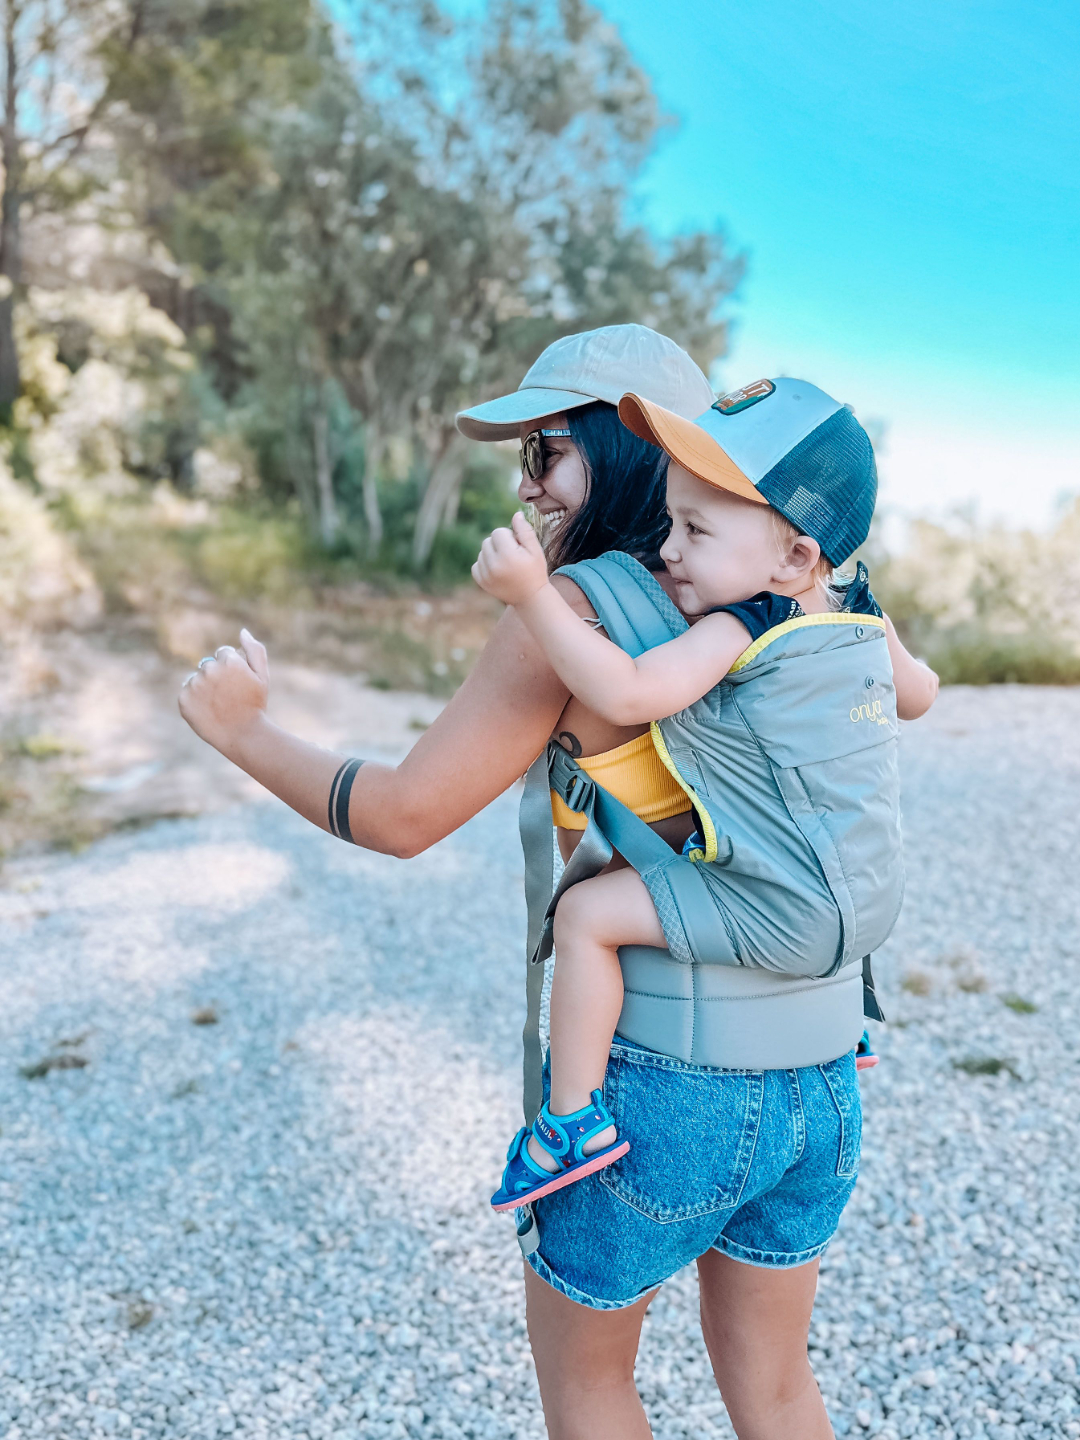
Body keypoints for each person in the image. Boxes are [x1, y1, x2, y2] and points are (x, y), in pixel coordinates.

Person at [176, 326, 900, 1440]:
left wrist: (244, 734)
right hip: (821, 1076)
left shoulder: (579, 618)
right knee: (777, 1388)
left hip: (660, 1088)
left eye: (547, 450)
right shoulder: (807, 604)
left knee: (591, 1386)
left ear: (621, 449)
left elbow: (402, 814)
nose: (527, 485)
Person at [471, 380, 939, 1212]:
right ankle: (842, 1028)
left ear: (793, 559)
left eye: (695, 529)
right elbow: (921, 694)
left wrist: (533, 597)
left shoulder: (741, 624)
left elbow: (626, 691)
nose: (670, 548)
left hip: (785, 912)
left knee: (586, 916)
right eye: (670, 522)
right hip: (869, 911)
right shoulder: (864, 616)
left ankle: (569, 1124)